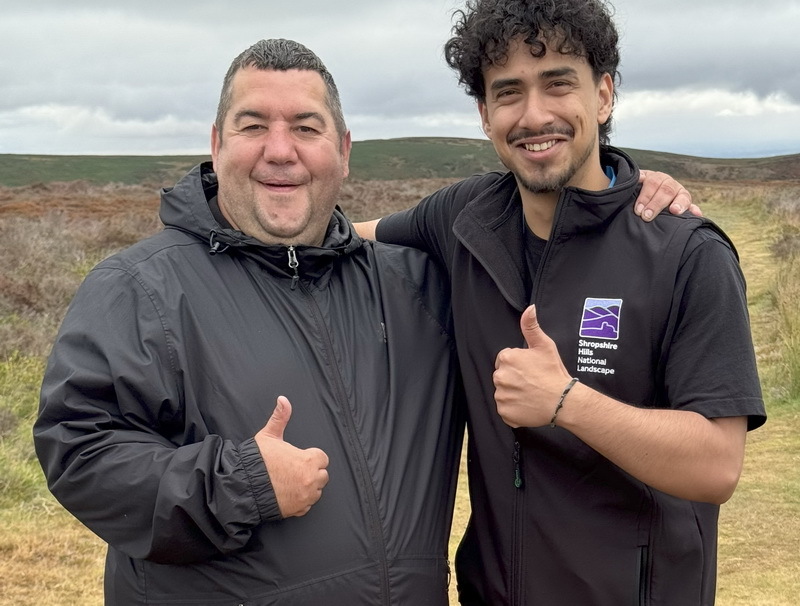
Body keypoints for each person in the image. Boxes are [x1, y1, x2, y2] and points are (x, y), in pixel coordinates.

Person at [357, 0, 767, 604]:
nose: (534, 114)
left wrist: (567, 403)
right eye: (508, 91)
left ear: (602, 96)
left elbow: (716, 466)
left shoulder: (685, 254)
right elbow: (345, 238)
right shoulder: (464, 219)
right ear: (483, 112)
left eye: (557, 83)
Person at [33, 38, 466, 605]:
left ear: (343, 148)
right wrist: (238, 485)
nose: (280, 151)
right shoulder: (139, 289)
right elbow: (80, 451)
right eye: (253, 125)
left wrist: (615, 204)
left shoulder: (417, 286)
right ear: (217, 144)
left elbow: (535, 248)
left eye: (307, 128)